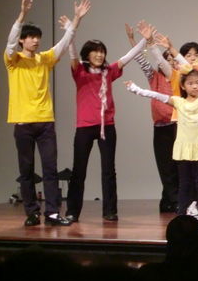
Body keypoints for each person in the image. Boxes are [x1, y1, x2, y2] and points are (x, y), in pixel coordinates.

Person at [4, 0, 91, 226]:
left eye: (37, 37)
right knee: (26, 171)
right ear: (23, 41)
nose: (35, 41)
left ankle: (52, 212)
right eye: (31, 37)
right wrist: (22, 15)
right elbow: (10, 42)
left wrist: (76, 19)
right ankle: (32, 213)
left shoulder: (44, 59)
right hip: (23, 122)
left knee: (50, 168)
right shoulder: (13, 60)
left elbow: (64, 42)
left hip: (45, 122)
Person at [65, 21, 153, 222]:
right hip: (84, 127)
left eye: (102, 51)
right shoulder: (80, 71)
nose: (99, 55)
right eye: (95, 51)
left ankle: (110, 211)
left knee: (108, 170)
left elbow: (128, 57)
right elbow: (72, 54)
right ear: (87, 54)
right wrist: (72, 29)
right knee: (79, 170)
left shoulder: (108, 71)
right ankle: (72, 212)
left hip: (107, 127)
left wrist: (144, 40)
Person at [126, 65, 198, 220]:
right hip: (184, 147)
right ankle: (182, 213)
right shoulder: (178, 102)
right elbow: (156, 95)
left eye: (197, 82)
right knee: (185, 182)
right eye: (190, 83)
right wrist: (136, 89)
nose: (195, 86)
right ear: (183, 86)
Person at [125, 24, 180, 213]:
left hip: (177, 126)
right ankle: (169, 199)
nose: (170, 62)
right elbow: (140, 59)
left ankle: (173, 200)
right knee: (165, 165)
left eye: (172, 60)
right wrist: (132, 40)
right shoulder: (154, 76)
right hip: (160, 128)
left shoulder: (179, 78)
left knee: (177, 165)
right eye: (167, 59)